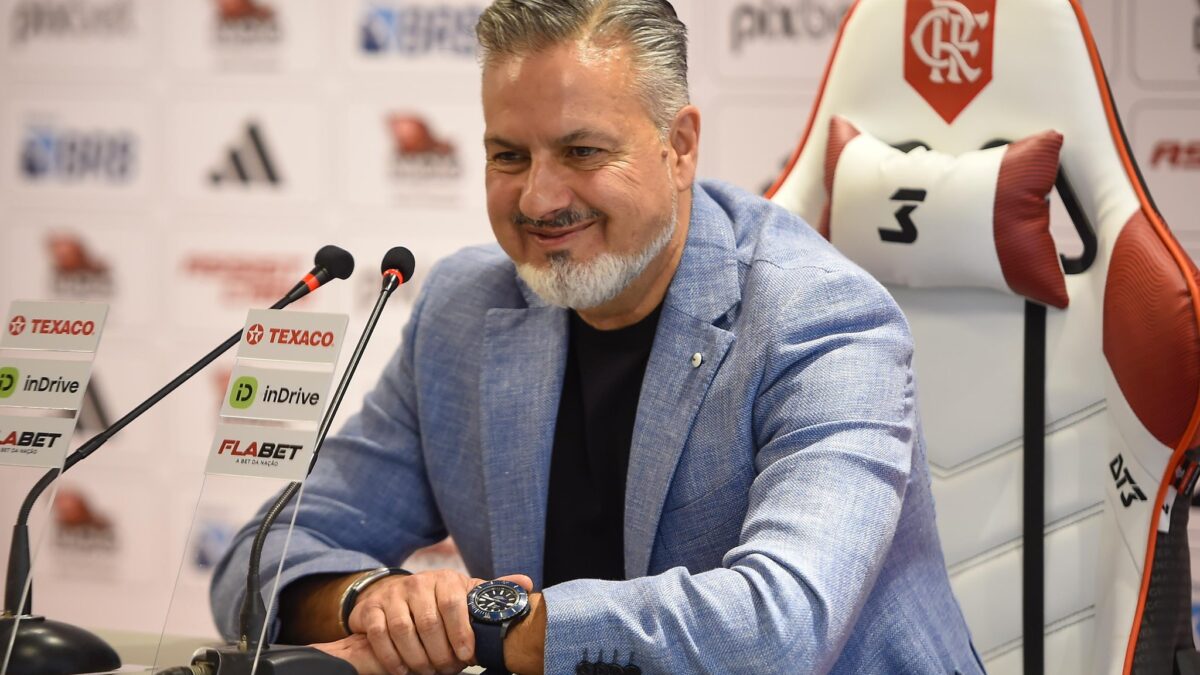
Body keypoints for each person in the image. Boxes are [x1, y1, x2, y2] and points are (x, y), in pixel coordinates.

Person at [210, 1, 985, 673]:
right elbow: (258, 559)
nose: (539, 197)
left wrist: (486, 623)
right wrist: (375, 600)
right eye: (509, 156)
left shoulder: (821, 316)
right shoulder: (460, 309)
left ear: (678, 148)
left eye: (582, 151)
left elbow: (777, 632)